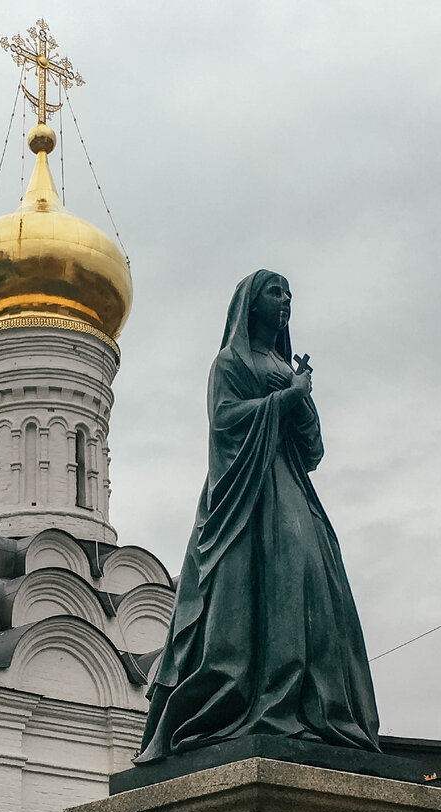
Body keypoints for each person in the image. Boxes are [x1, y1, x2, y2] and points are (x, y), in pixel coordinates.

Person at [136, 270, 381, 763]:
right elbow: (224, 424)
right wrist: (284, 399)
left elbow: (311, 452)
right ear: (250, 304)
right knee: (256, 594)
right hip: (246, 494)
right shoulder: (230, 362)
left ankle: (313, 709)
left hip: (290, 485)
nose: (286, 300)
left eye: (290, 292)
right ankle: (246, 702)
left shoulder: (284, 365)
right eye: (275, 291)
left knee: (314, 584)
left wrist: (301, 400)